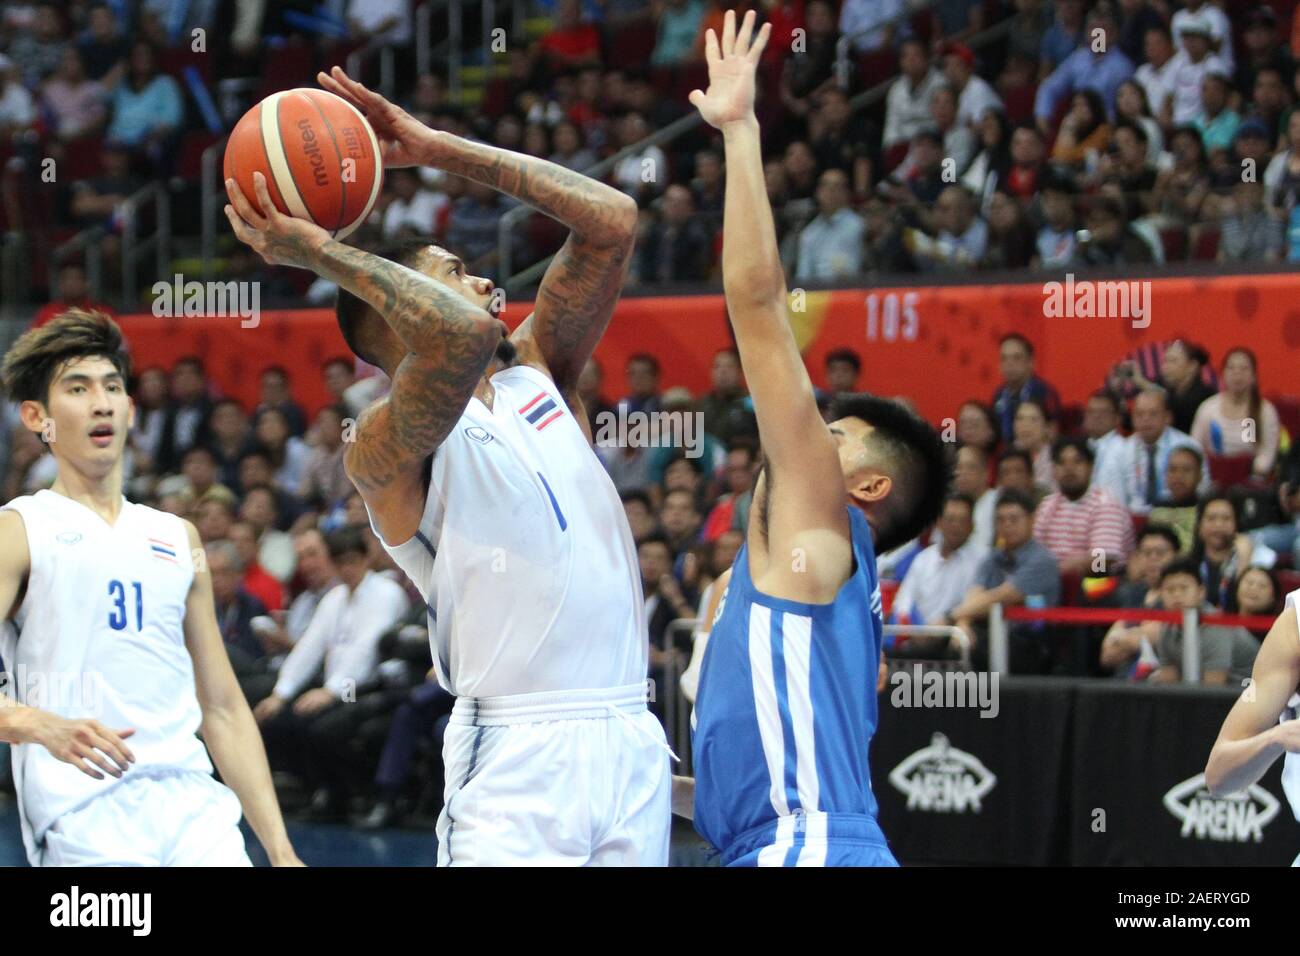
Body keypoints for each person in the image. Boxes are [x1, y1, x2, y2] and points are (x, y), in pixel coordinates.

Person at [227, 65, 672, 865]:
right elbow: (458, 339)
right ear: (394, 318)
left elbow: (613, 218)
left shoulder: (539, 370)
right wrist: (325, 253)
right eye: (451, 272)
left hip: (628, 733)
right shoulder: (379, 445)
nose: (483, 280)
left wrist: (439, 150)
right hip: (516, 755)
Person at [680, 12, 950, 867]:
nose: (804, 433)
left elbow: (758, 306)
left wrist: (741, 131)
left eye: (834, 434)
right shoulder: (831, 601)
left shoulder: (820, 520)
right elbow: (764, 775)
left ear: (865, 487)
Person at [0, 310, 300, 866]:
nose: (101, 402)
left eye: (113, 387)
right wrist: (32, 723)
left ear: (131, 410)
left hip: (194, 810)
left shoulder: (176, 535)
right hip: (81, 811)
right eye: (78, 388)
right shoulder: (19, 529)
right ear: (37, 416)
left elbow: (224, 707)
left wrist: (281, 852)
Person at [1190, 347, 1280, 478]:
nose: (1237, 374)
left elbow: (1267, 456)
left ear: (1254, 376)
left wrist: (1242, 470)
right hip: (1212, 477)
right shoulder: (1208, 408)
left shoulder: (1265, 411)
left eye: (1243, 369)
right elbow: (1195, 448)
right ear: (1223, 374)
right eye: (1231, 368)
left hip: (1251, 480)